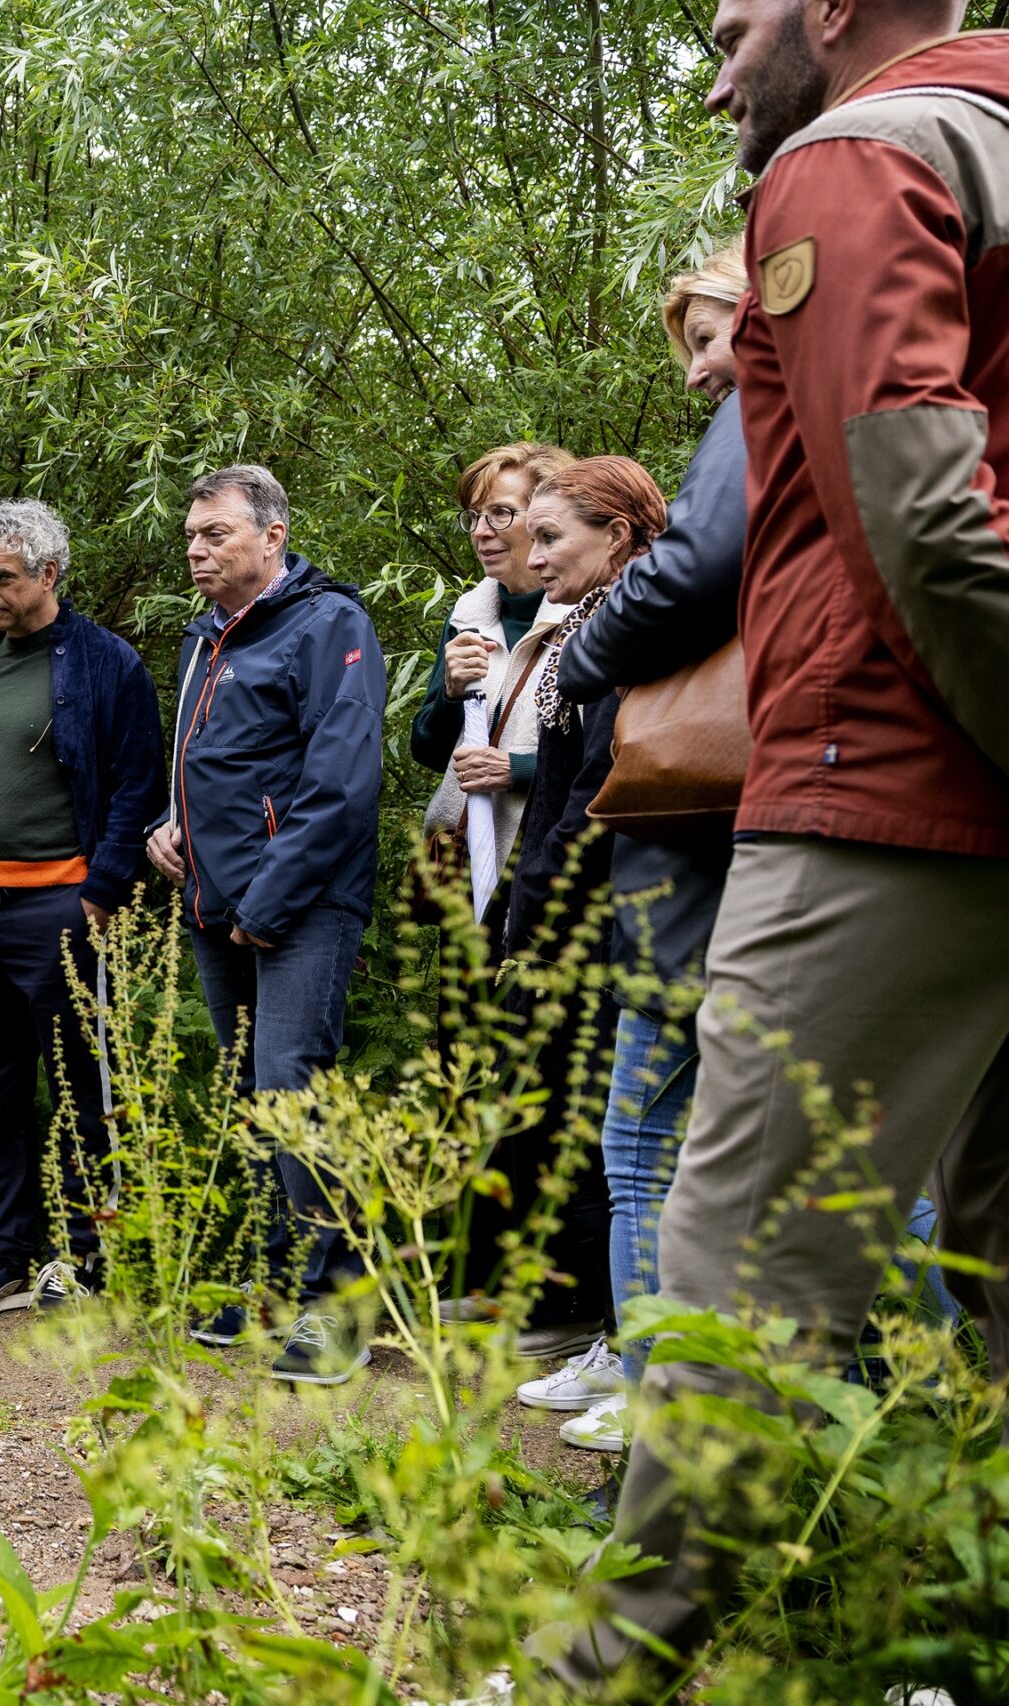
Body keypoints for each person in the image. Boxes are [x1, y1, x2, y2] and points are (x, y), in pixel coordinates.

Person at [556, 5, 1009, 1689]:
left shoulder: (862, 153)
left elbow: (928, 529)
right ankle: (946, 1644)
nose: (720, 67)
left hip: (889, 786)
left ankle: (614, 1667)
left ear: (829, 10)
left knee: (736, 1275)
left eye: (737, 25)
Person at [540, 238, 748, 1455]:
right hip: (684, 858)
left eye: (711, 337)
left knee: (647, 1138)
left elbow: (700, 568)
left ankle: (660, 1385)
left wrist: (588, 646)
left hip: (690, 853)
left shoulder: (755, 423)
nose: (697, 373)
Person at [146, 466, 385, 1384]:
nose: (197, 552)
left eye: (216, 535)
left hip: (299, 905)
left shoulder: (331, 623)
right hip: (217, 902)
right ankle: (279, 1285)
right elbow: (203, 760)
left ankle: (344, 1309)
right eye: (192, 538)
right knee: (249, 1098)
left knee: (295, 1091)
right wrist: (168, 826)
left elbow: (341, 783)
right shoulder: (204, 638)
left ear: (273, 535)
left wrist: (267, 904)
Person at [0, 498, 166, 1320]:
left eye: (3, 577)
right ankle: (6, 1255)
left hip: (62, 910)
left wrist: (101, 893)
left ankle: (85, 1257)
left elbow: (140, 781)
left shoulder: (105, 663)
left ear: (49, 573)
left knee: (79, 1089)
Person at [482, 456, 670, 1420]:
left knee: (628, 1144)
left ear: (623, 537)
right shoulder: (575, 636)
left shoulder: (640, 637)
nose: (532, 550)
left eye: (553, 536)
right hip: (567, 917)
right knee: (581, 1130)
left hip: (619, 922)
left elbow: (600, 792)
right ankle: (610, 1338)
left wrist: (539, 912)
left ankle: (634, 1354)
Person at [410, 442, 575, 918]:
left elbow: (615, 758)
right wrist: (450, 694)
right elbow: (427, 750)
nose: (481, 532)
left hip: (553, 864)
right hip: (467, 866)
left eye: (501, 514)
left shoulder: (592, 614)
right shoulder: (469, 616)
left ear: (548, 519)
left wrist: (518, 770)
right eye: (475, 516)